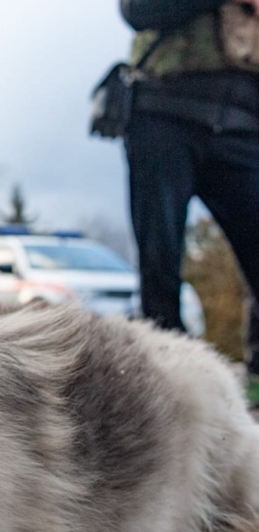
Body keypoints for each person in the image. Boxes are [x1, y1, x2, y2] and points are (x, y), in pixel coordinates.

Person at [120, 0, 259, 369]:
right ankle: (168, 382)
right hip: (165, 112)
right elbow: (136, 10)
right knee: (159, 268)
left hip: (245, 125)